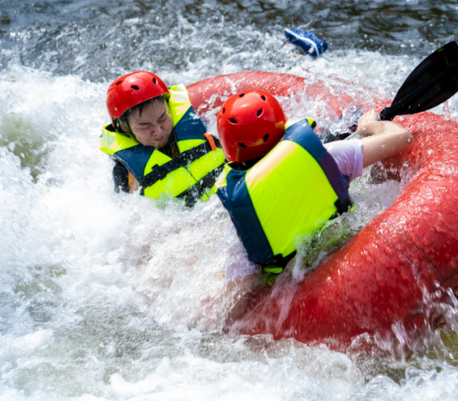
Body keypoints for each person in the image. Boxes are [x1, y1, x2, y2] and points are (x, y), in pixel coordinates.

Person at [214, 89, 413, 275]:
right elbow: (401, 137)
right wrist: (369, 126)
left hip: (295, 284)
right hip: (352, 256)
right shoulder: (330, 156)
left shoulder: (242, 211)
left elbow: (239, 288)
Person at [98, 71, 225, 206]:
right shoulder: (127, 174)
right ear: (124, 128)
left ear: (169, 107)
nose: (158, 131)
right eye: (144, 126)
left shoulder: (199, 116)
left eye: (162, 118)